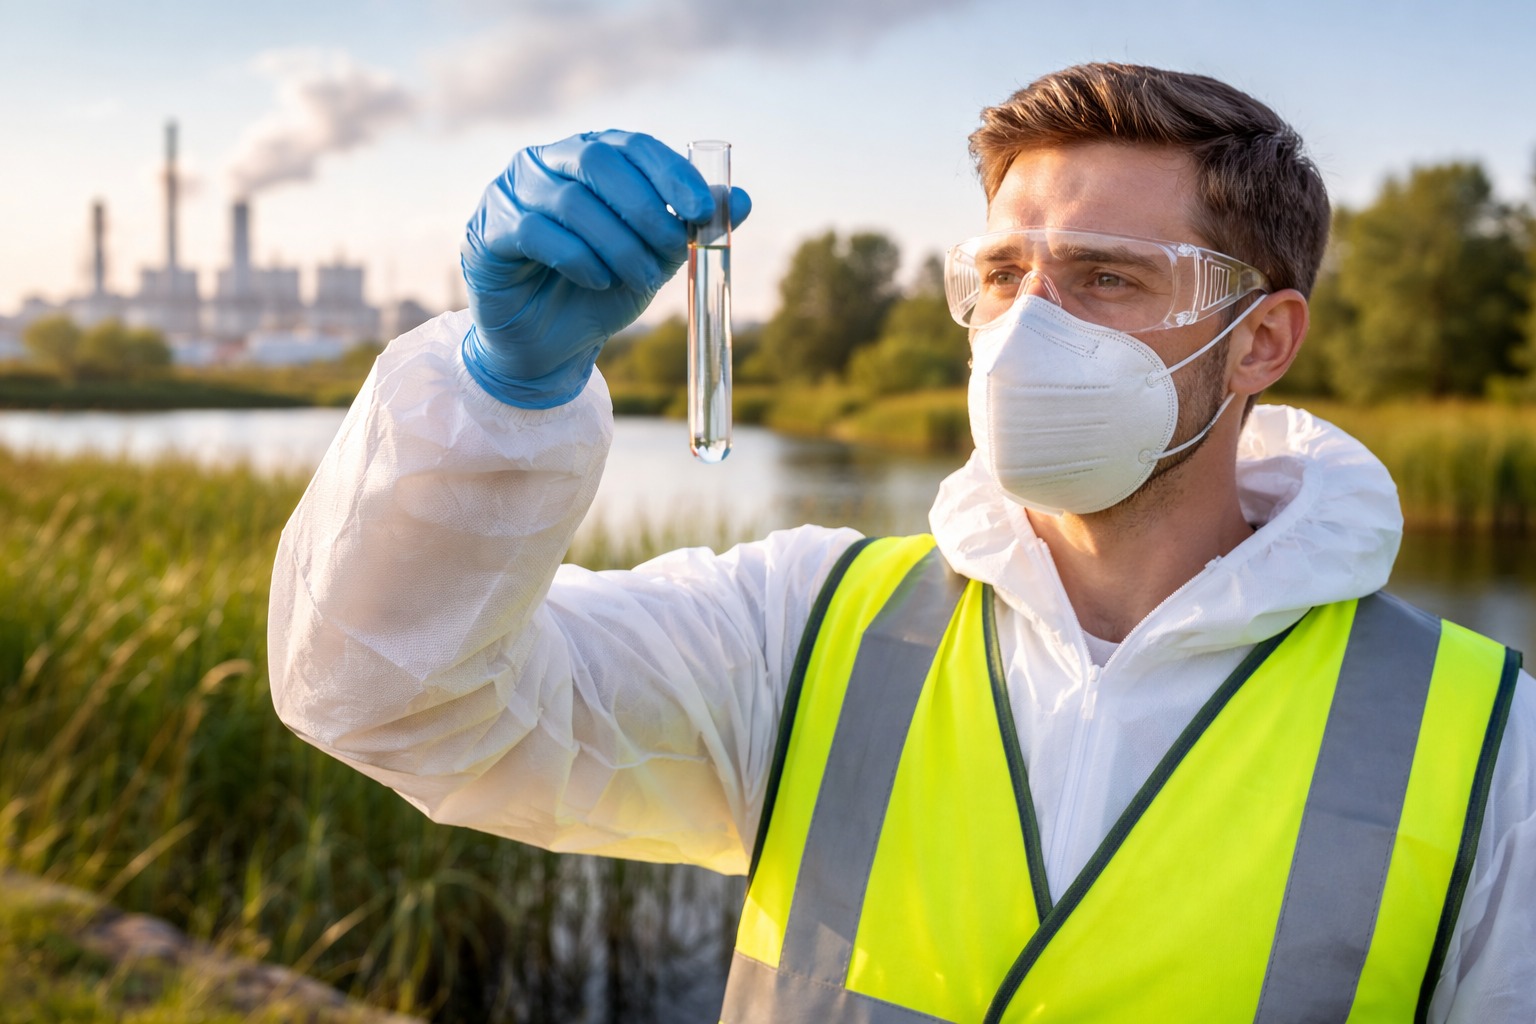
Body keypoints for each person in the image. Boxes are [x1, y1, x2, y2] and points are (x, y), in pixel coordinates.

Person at [268, 63, 1534, 1021]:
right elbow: (391, 698)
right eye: (1000, 272)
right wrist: (501, 392)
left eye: (1104, 276)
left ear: (1259, 340)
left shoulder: (1484, 749)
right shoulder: (807, 628)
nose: (1025, 330)